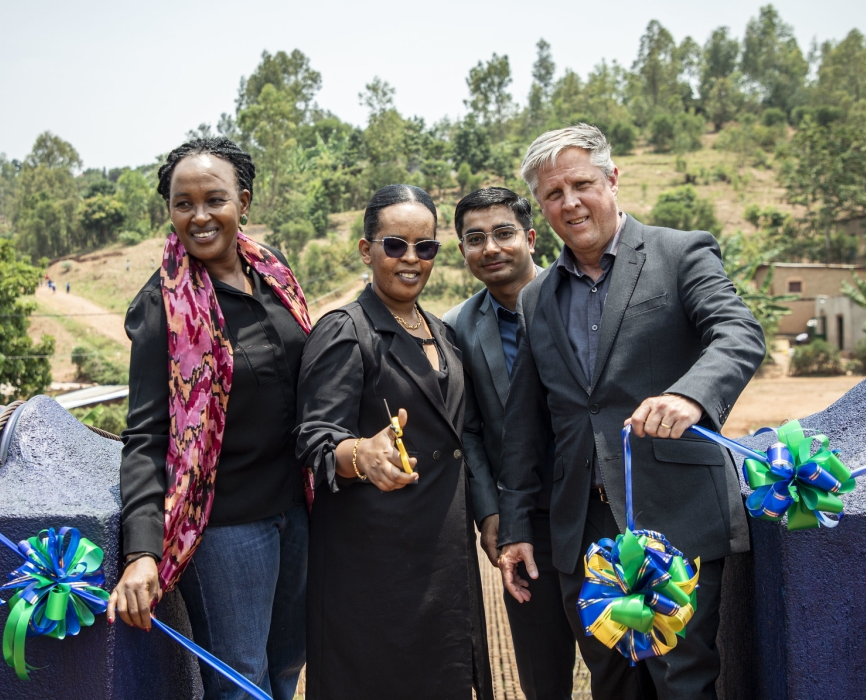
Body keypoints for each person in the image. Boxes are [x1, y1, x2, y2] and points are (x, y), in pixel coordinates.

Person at [497, 124, 765, 699]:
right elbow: (524, 424)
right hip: (583, 529)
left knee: (683, 679)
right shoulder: (536, 299)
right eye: (553, 194)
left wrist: (690, 396)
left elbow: (738, 332)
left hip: (677, 513)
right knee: (612, 683)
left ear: (613, 179)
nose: (569, 203)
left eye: (582, 184)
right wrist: (516, 526)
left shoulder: (679, 253)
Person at [110, 137, 313, 700]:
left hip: (298, 506)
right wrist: (142, 550)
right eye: (183, 203)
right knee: (240, 679)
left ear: (242, 202)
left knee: (288, 662)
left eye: (215, 199)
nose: (199, 216)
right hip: (227, 524)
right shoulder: (162, 306)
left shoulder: (272, 272)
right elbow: (147, 434)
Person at [295, 184, 493, 700]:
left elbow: (460, 435)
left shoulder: (442, 333)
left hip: (441, 561)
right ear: (367, 250)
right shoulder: (346, 331)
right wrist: (361, 454)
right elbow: (315, 439)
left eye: (424, 247)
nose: (411, 259)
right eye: (395, 245)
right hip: (372, 570)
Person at [441, 187, 572, 700]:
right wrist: (491, 513)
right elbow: (468, 428)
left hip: (598, 507)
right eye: (475, 239)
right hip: (524, 522)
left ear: (530, 237)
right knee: (541, 671)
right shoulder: (456, 328)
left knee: (620, 660)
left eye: (502, 233)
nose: (490, 248)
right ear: (462, 251)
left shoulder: (581, 299)